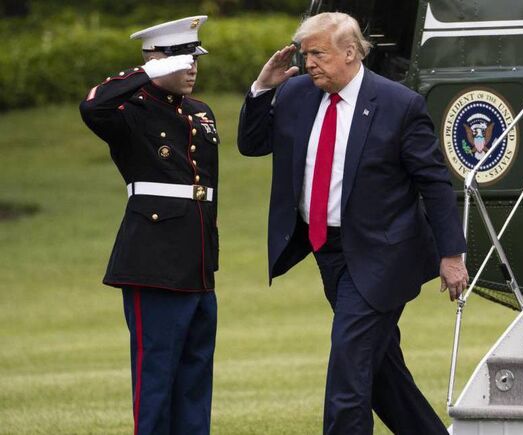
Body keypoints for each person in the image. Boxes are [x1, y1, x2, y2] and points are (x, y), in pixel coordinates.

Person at [237, 11, 469, 435]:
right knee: (379, 372)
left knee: (348, 366)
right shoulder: (295, 94)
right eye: (305, 54)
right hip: (328, 251)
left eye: (318, 54)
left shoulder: (399, 104)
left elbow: (434, 183)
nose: (309, 64)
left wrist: (451, 254)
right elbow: (252, 145)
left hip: (385, 253)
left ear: (350, 52)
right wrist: (262, 89)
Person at [79, 16, 220, 435]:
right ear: (156, 61)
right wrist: (148, 71)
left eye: (195, 59)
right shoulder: (129, 112)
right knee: (156, 374)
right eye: (182, 60)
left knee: (195, 375)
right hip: (153, 261)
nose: (192, 68)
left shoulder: (200, 112)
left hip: (197, 259)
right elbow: (92, 106)